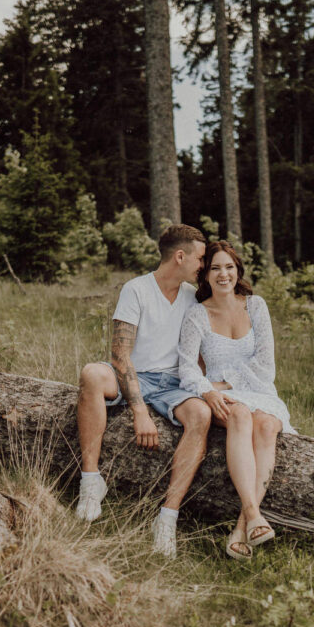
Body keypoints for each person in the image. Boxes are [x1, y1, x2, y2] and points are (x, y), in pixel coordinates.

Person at [76, 224, 212, 558]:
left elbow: (198, 355)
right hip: (134, 375)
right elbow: (120, 356)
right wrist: (140, 412)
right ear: (180, 256)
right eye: (199, 258)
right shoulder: (136, 289)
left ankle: (167, 517)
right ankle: (91, 481)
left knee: (201, 414)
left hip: (172, 383)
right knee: (92, 374)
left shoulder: (192, 297)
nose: (202, 266)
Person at [178, 241, 295, 560]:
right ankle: (253, 515)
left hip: (259, 390)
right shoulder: (197, 315)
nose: (223, 274)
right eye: (215, 267)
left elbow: (266, 366)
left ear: (238, 270)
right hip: (219, 396)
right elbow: (186, 366)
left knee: (268, 425)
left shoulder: (256, 306)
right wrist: (209, 389)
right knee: (241, 416)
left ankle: (243, 527)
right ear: (206, 275)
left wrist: (223, 380)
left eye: (228, 266)